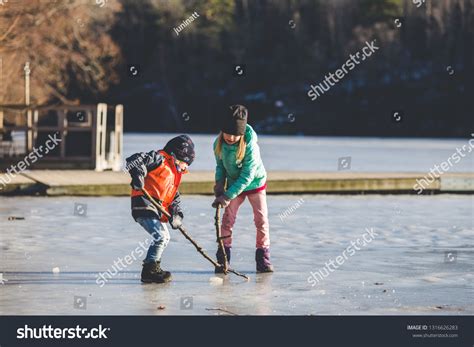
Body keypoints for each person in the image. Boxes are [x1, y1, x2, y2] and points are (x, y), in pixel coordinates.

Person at [212, 104, 274, 273]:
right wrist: (219, 184)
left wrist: (227, 195)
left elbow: (247, 176)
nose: (231, 137)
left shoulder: (250, 147)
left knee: (261, 221)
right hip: (233, 184)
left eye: (235, 134)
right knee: (227, 220)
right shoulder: (218, 144)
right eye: (228, 133)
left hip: (254, 184)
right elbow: (220, 166)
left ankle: (263, 259)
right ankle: (223, 258)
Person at [126, 135, 195, 283]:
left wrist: (176, 215)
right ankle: (149, 270)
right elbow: (134, 160)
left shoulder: (175, 175)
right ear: (175, 155)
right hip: (144, 203)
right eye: (185, 163)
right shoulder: (159, 159)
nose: (185, 168)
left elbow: (174, 199)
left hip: (156, 209)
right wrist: (138, 175)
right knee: (161, 236)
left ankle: (152, 267)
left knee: (165, 237)